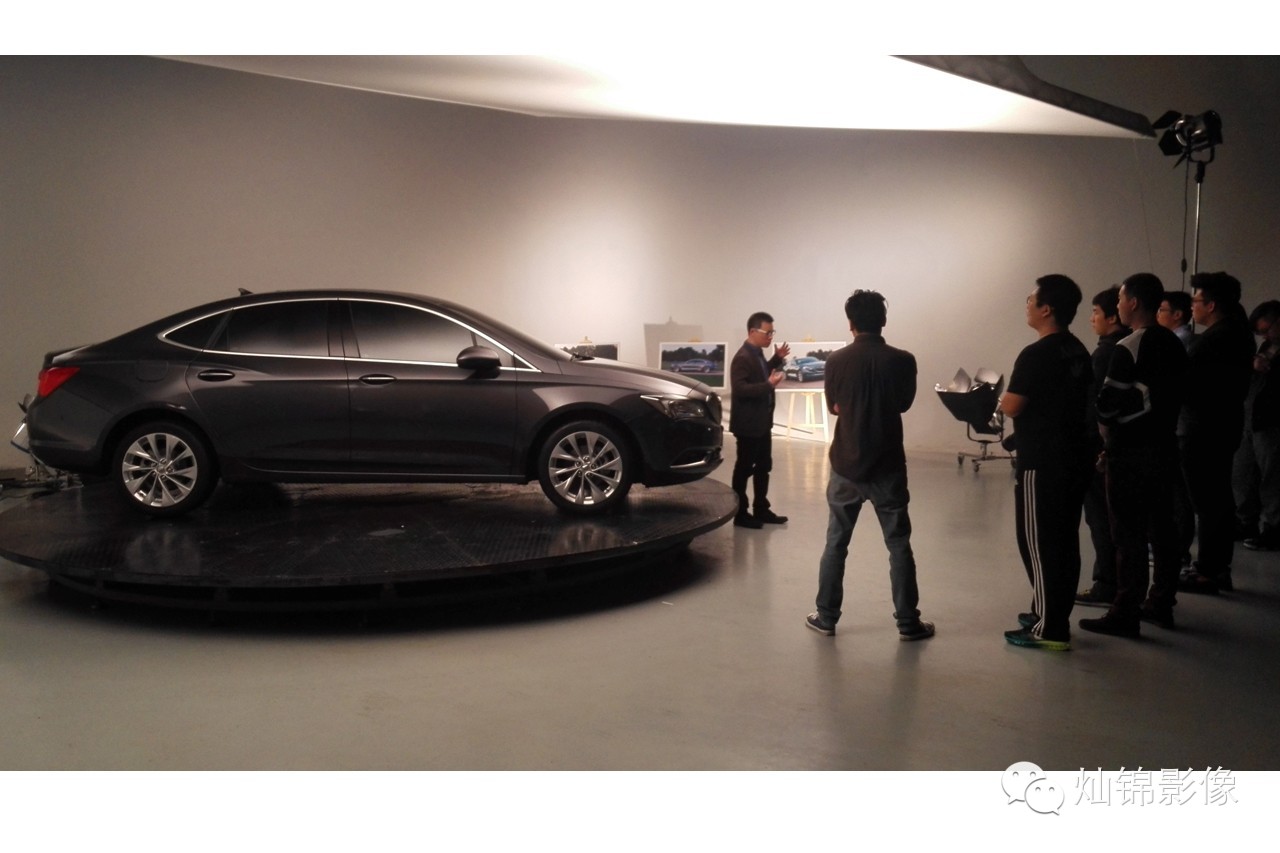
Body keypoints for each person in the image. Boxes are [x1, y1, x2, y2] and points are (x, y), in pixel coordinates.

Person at [806, 290, 933, 641]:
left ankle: (826, 617)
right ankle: (908, 622)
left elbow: (834, 407)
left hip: (846, 464)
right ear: (883, 320)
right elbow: (904, 403)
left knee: (836, 543)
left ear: (850, 323)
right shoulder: (903, 360)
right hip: (888, 465)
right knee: (898, 544)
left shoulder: (835, 361)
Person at [1080, 273, 1188, 637]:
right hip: (1165, 446)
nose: (1119, 305)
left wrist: (1106, 441)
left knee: (1127, 534)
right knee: (1163, 529)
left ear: (1134, 302)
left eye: (1121, 299)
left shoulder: (1130, 345)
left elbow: (1107, 405)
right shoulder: (1173, 343)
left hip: (1131, 452)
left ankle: (1125, 612)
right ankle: (1160, 602)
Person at [1001, 275, 1093, 651]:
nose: (1027, 305)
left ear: (1046, 309)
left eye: (1031, 300)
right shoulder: (1077, 349)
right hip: (1074, 458)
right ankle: (1048, 611)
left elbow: (1012, 404)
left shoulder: (1036, 353)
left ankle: (1050, 629)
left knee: (1038, 544)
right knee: (1064, 540)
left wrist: (1002, 402)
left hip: (1042, 462)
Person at [1178, 272, 1256, 594]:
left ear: (1211, 305)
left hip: (1204, 429)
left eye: (1195, 300)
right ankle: (1216, 568)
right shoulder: (1237, 333)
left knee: (1208, 503)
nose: (1192, 307)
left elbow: (1190, 386)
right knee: (1217, 500)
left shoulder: (1215, 340)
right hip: (1222, 426)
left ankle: (1208, 572)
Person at [1075, 286, 1128, 608]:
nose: (1091, 318)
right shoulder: (1130, 346)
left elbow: (1095, 406)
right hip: (1121, 446)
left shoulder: (1106, 354)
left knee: (1100, 518)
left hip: (1100, 449)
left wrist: (1094, 446)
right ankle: (1118, 583)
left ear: (1112, 317)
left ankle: (1106, 583)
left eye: (1096, 312)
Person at [729, 311, 790, 528]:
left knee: (764, 466)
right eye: (768, 332)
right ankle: (740, 513)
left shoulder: (757, 354)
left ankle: (761, 509)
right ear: (752, 331)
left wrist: (777, 359)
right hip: (748, 426)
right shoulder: (742, 358)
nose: (771, 337)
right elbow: (740, 389)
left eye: (773, 332)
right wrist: (768, 385)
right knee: (744, 469)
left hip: (762, 424)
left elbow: (762, 374)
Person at [1159, 289, 1198, 569]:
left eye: (1162, 310)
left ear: (1177, 315)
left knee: (1179, 490)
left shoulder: (1179, 342)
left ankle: (1178, 549)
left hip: (1182, 425)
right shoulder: (1182, 340)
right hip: (1181, 424)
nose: (1158, 315)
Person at [1236, 300, 1280, 550]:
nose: (1264, 336)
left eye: (1266, 330)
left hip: (1271, 422)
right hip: (1251, 419)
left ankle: (1273, 528)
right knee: (1243, 474)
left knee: (1271, 478)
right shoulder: (1267, 346)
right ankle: (1247, 522)